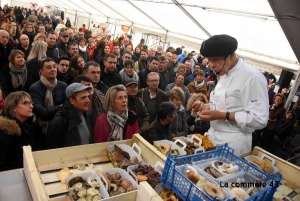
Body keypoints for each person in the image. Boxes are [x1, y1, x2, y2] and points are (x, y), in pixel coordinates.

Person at [194, 34, 269, 155]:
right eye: (209, 59)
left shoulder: (251, 77)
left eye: (216, 59)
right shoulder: (225, 73)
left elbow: (259, 119)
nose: (211, 65)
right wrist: (207, 107)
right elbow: (228, 103)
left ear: (231, 56)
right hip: (213, 137)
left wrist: (223, 115)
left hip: (233, 144)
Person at [0, 91, 40, 171]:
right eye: (25, 103)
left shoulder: (31, 126)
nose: (31, 106)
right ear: (13, 108)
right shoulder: (5, 132)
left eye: (30, 103)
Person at [47, 83, 94, 148]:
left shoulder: (88, 116)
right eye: (83, 98)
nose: (88, 100)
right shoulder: (59, 121)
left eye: (88, 97)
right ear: (72, 100)